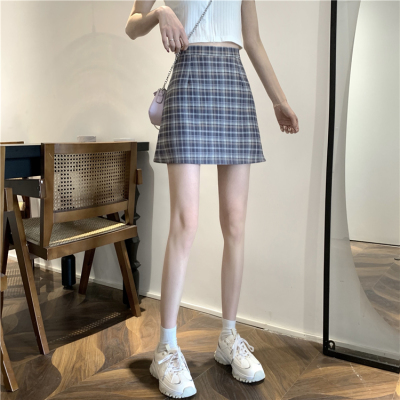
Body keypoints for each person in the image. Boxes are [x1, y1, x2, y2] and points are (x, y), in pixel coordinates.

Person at [125, 0, 299, 397]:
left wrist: (278, 99)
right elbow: (132, 25)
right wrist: (160, 12)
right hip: (188, 80)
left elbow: (252, 41)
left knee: (235, 223)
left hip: (233, 83)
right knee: (185, 222)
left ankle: (228, 337)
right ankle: (166, 347)